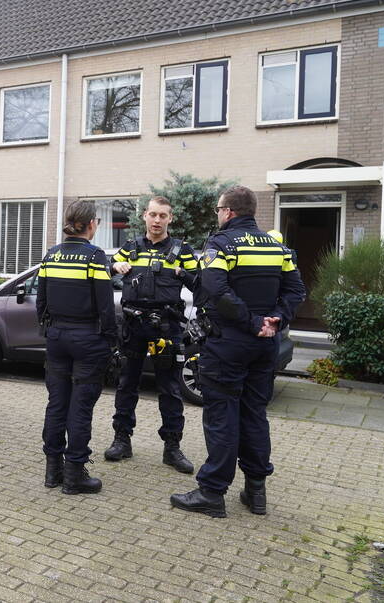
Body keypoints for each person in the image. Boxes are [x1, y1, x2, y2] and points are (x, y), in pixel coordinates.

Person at [170, 186, 305, 518]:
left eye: (218, 209)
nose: (218, 215)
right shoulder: (277, 247)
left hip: (229, 343)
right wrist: (276, 319)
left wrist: (252, 322)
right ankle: (256, 491)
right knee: (255, 414)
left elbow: (216, 289)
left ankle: (211, 493)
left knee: (222, 416)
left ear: (228, 211)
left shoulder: (221, 244)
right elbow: (296, 290)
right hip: (265, 344)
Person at [104, 196, 198, 473]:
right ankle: (122, 440)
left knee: (169, 388)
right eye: (153, 215)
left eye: (163, 216)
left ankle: (172, 448)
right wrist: (114, 267)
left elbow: (201, 284)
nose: (157, 220)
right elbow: (106, 270)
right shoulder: (130, 247)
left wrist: (183, 274)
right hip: (133, 325)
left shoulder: (182, 250)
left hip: (166, 327)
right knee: (127, 384)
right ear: (144, 215)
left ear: (170, 218)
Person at [36, 200, 118, 494]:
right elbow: (106, 306)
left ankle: (52, 471)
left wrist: (49, 330)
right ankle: (74, 477)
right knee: (80, 408)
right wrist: (110, 340)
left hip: (57, 338)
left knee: (57, 403)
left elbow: (41, 301)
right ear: (91, 224)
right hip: (88, 340)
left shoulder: (51, 256)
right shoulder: (95, 257)